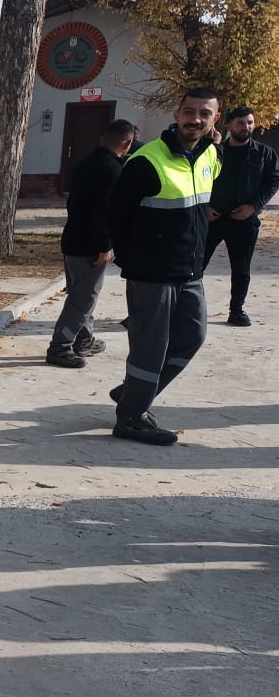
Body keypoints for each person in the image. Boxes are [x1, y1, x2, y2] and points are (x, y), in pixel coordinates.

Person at [106, 88, 223, 445]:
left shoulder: (211, 155)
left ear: (214, 119)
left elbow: (201, 199)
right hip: (152, 273)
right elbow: (116, 216)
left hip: (191, 271)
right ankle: (130, 417)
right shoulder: (146, 160)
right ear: (176, 114)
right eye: (189, 111)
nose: (195, 119)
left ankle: (133, 393)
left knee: (192, 337)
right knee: (150, 348)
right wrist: (134, 262)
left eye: (204, 113)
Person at [46, 119, 137, 368]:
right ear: (127, 143)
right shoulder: (113, 170)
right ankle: (60, 347)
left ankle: (83, 340)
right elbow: (105, 213)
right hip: (90, 245)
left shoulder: (84, 163)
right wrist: (105, 245)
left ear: (102, 137)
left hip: (73, 239)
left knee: (80, 293)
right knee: (83, 299)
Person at [205, 105, 278, 326]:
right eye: (240, 123)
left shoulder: (264, 153)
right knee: (195, 265)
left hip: (244, 221)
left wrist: (253, 206)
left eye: (249, 122)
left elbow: (273, 181)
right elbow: (199, 179)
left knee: (241, 269)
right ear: (229, 125)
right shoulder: (215, 151)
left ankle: (236, 310)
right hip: (212, 219)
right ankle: (183, 305)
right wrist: (204, 207)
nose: (246, 127)